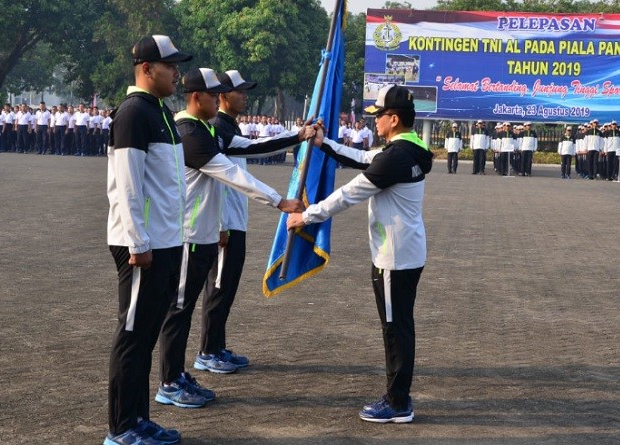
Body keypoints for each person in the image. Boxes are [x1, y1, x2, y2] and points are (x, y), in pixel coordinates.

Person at [154, 68, 305, 409]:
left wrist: (298, 135)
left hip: (203, 233)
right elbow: (231, 174)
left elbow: (249, 150)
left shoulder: (205, 130)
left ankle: (177, 374)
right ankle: (170, 381)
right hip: (189, 235)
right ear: (198, 98)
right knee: (179, 309)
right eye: (214, 95)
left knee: (186, 307)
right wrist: (278, 200)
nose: (219, 100)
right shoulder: (189, 133)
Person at [288, 85, 433, 423]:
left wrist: (306, 216)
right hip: (405, 252)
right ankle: (399, 396)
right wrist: (325, 144)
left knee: (395, 329)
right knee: (399, 325)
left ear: (393, 119)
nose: (374, 121)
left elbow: (349, 193)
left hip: (394, 258)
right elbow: (364, 159)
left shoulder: (396, 157)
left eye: (379, 115)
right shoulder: (411, 149)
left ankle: (398, 402)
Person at [197, 69, 315, 376]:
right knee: (218, 287)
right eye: (239, 91)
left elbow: (256, 146)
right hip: (224, 223)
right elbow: (223, 176)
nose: (244, 96)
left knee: (227, 286)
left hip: (235, 219)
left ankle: (217, 345)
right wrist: (221, 223)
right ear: (223, 96)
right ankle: (207, 351)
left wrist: (297, 135)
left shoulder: (227, 127)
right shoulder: (217, 128)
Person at [104, 34, 191, 445]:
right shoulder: (133, 113)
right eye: (169, 65)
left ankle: (139, 419)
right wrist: (138, 242)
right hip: (142, 246)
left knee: (146, 337)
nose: (176, 73)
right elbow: (128, 185)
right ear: (146, 69)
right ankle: (121, 428)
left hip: (165, 241)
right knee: (133, 336)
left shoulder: (160, 112)